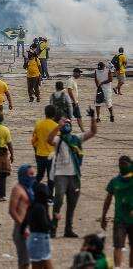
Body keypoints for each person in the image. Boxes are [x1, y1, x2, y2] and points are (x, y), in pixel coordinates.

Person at [49, 109, 97, 238]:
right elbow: (49, 139)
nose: (67, 125)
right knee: (58, 200)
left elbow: (92, 132)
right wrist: (58, 126)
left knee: (72, 203)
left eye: (69, 123)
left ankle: (68, 229)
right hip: (61, 174)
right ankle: (53, 227)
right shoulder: (58, 139)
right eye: (65, 123)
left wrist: (93, 118)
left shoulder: (76, 138)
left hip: (74, 174)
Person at [101, 155, 133, 268]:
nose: (122, 166)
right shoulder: (114, 181)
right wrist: (103, 216)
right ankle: (117, 267)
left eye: (125, 164)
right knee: (118, 245)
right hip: (120, 219)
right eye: (121, 164)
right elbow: (107, 200)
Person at [10, 165, 37, 269]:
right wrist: (23, 226)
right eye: (30, 174)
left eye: (33, 174)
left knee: (34, 260)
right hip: (21, 228)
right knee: (24, 262)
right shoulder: (17, 189)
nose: (32, 177)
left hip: (31, 228)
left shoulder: (30, 189)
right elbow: (12, 211)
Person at [23, 183, 53, 269]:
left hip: (32, 238)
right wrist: (53, 223)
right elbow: (45, 225)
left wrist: (22, 232)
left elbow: (24, 222)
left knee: (37, 263)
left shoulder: (32, 206)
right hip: (41, 238)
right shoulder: (41, 207)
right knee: (45, 263)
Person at [31, 105, 59, 186]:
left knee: (39, 175)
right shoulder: (56, 126)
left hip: (40, 154)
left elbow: (33, 141)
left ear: (45, 113)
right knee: (51, 177)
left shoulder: (39, 124)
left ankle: (33, 190)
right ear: (54, 114)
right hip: (52, 155)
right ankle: (50, 196)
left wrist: (36, 151)